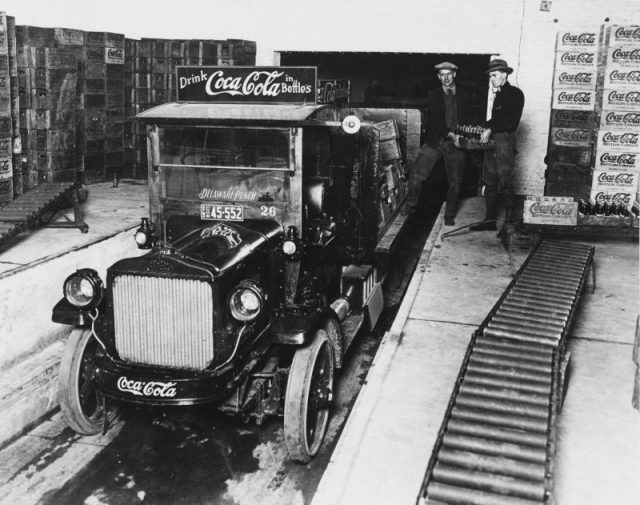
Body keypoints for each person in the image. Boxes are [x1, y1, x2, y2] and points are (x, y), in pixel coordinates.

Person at [404, 61, 471, 226]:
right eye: (442, 75)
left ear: (454, 75)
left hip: (456, 144)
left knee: (455, 182)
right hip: (436, 140)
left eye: (449, 74)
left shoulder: (464, 95)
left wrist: (464, 135)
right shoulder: (432, 94)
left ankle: (449, 215)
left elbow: (468, 118)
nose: (446, 78)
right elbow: (435, 120)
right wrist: (450, 134)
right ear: (438, 76)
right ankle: (411, 204)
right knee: (416, 174)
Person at [470, 58, 525, 231]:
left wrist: (490, 129)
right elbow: (496, 120)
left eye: (494, 75)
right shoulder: (499, 95)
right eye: (491, 76)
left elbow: (510, 122)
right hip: (494, 142)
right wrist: (483, 126)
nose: (492, 79)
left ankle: (510, 221)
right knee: (490, 180)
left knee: (505, 180)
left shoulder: (515, 94)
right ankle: (489, 220)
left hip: (505, 142)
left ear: (504, 74)